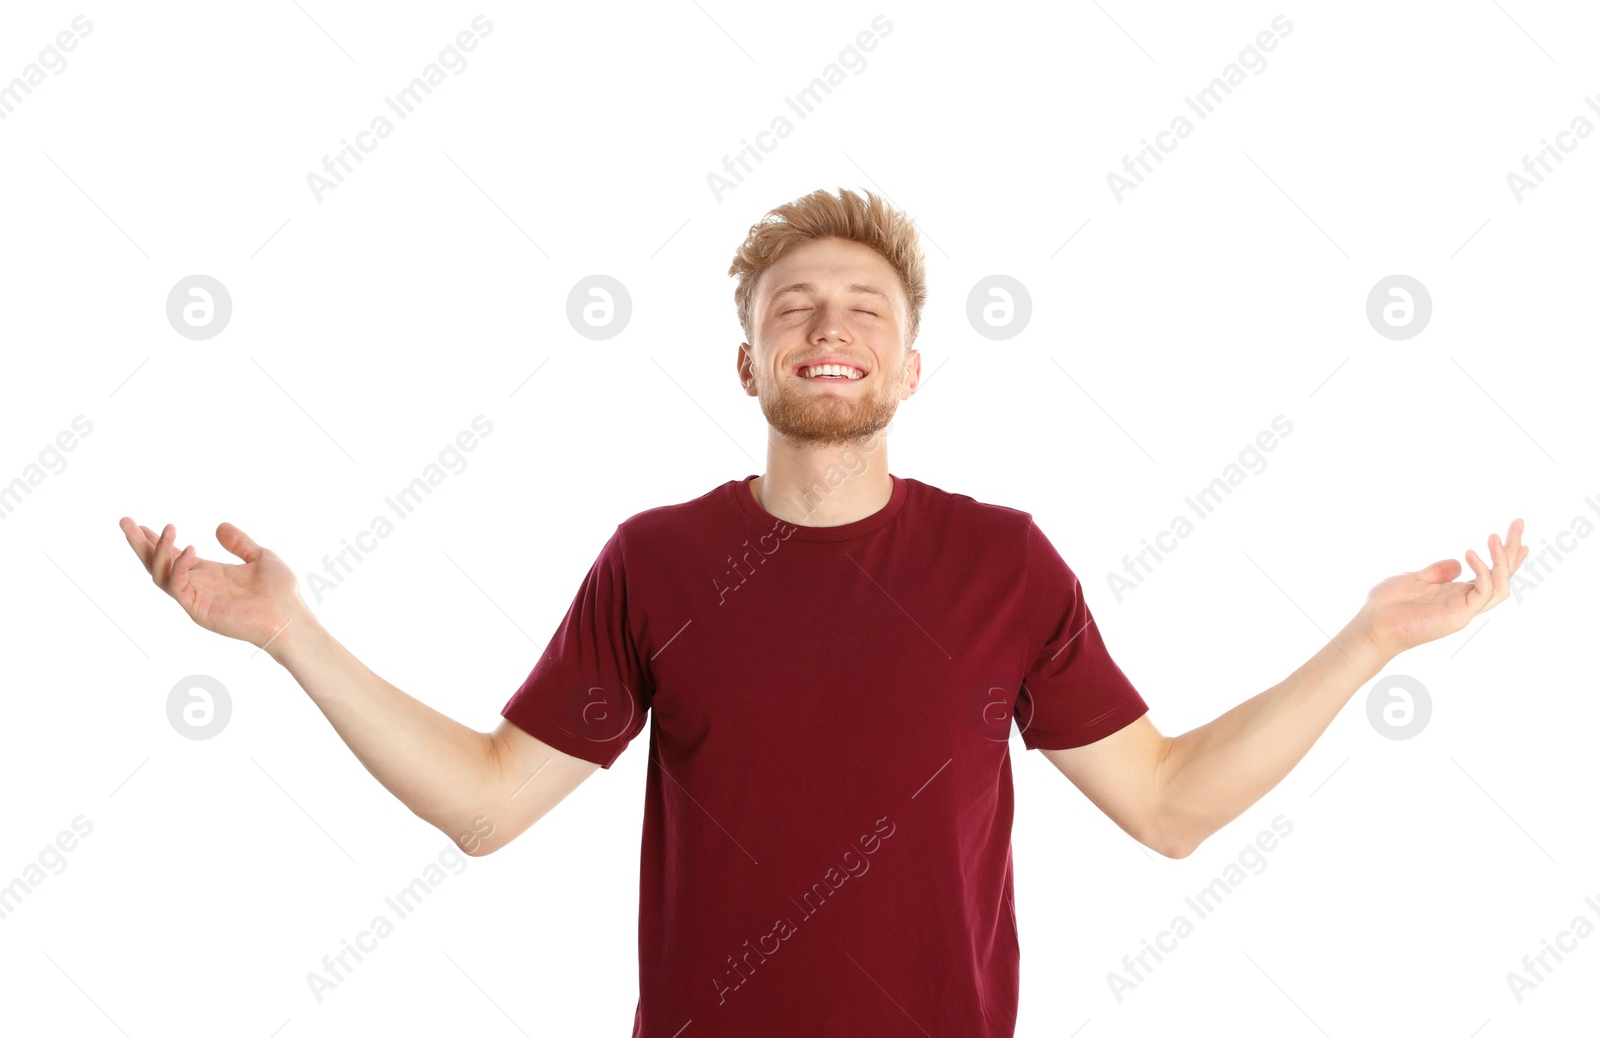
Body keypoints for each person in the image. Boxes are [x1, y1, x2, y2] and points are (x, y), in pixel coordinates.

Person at [119, 187, 1528, 1036]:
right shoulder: (655, 562)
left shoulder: (1006, 564)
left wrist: (1370, 641)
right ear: (747, 363)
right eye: (794, 309)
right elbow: (487, 807)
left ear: (914, 367)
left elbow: (1164, 806)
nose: (829, 330)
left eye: (864, 310)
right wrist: (292, 635)